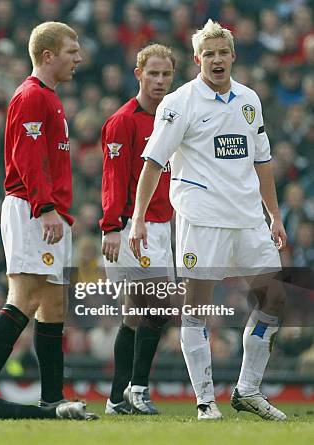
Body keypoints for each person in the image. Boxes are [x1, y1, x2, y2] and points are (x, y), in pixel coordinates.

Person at [129, 20, 288, 421]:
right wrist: (138, 218)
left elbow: (262, 161)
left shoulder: (249, 99)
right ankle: (204, 400)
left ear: (233, 56)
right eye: (209, 54)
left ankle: (248, 389)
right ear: (198, 59)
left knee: (275, 298)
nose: (217, 59)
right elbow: (152, 163)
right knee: (196, 308)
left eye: (223, 52)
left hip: (250, 218)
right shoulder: (180, 103)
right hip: (202, 219)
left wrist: (275, 215)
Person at [0, 22, 81, 408]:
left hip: (51, 211)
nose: (78, 58)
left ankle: (52, 402)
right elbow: (26, 158)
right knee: (26, 297)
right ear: (48, 56)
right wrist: (44, 207)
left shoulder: (50, 97)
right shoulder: (31, 96)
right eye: (70, 51)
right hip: (33, 208)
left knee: (54, 304)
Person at [99, 44, 175, 415]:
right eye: (153, 74)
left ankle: (117, 398)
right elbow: (112, 179)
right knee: (158, 307)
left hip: (163, 226)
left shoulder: (173, 120)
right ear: (138, 74)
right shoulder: (123, 121)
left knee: (135, 313)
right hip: (133, 227)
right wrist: (112, 226)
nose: (159, 81)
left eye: (165, 75)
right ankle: (138, 389)